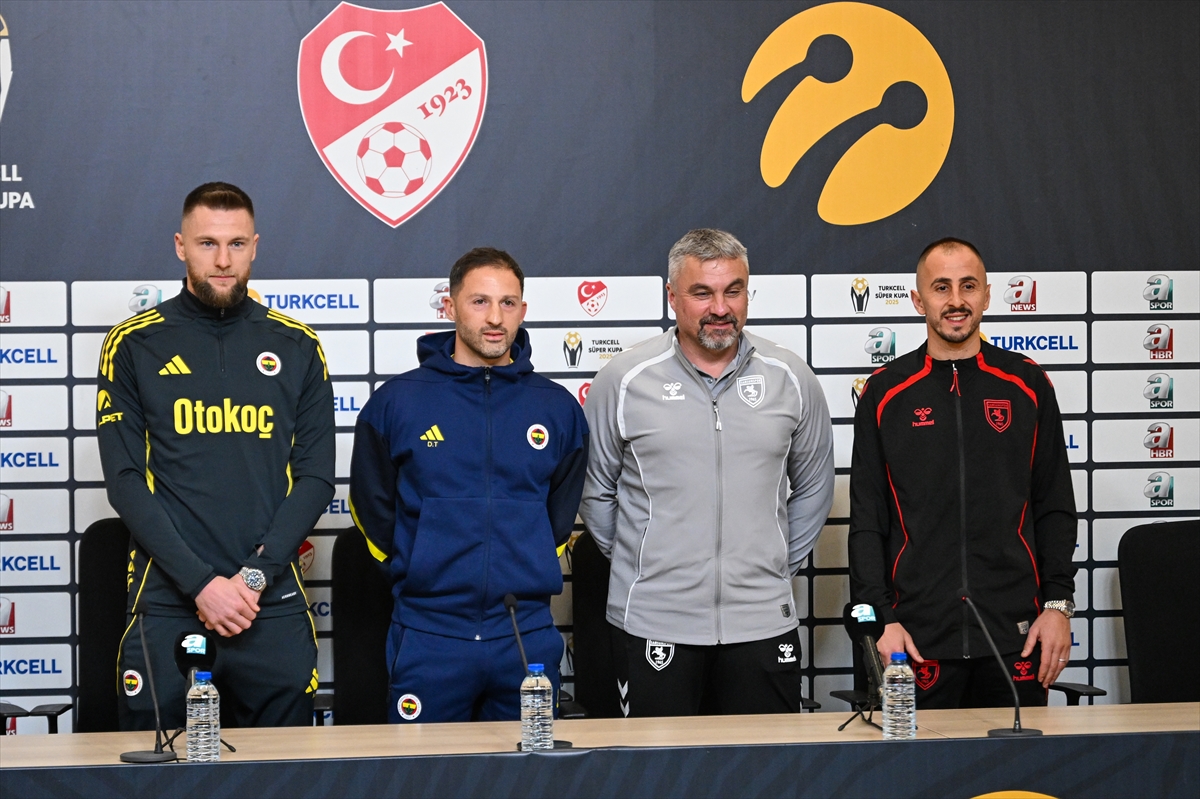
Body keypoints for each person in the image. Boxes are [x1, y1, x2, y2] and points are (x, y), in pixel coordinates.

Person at [98, 182, 335, 729]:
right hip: (168, 603)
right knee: (157, 770)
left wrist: (251, 580)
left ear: (255, 246)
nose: (223, 261)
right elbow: (125, 480)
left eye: (236, 244)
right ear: (181, 246)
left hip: (269, 606)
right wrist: (202, 585)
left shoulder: (299, 345)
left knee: (283, 773)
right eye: (207, 243)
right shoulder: (133, 343)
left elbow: (317, 478)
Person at [580, 229, 835, 717]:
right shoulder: (624, 379)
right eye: (702, 293)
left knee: (764, 763)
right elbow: (595, 492)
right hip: (655, 623)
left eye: (733, 291)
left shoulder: (791, 377)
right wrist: (647, 562)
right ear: (672, 296)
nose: (720, 308)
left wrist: (772, 565)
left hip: (762, 621)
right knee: (659, 765)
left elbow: (815, 488)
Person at [349, 247, 589, 723]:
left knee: (530, 766)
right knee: (423, 766)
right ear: (450, 306)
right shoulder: (396, 403)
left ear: (522, 309)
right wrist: (417, 568)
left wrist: (526, 559)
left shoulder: (557, 408)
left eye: (508, 303)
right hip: (429, 633)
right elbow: (370, 506)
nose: (495, 317)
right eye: (480, 302)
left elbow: (560, 515)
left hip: (524, 633)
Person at [848, 237, 1077, 709]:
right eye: (941, 287)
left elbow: (1054, 504)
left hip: (1016, 637)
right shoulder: (885, 393)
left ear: (987, 295)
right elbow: (868, 520)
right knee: (917, 761)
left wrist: (1057, 607)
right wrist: (882, 619)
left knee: (1016, 760)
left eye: (968, 286)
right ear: (918, 300)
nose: (956, 300)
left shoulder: (1027, 384)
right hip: (913, 639)